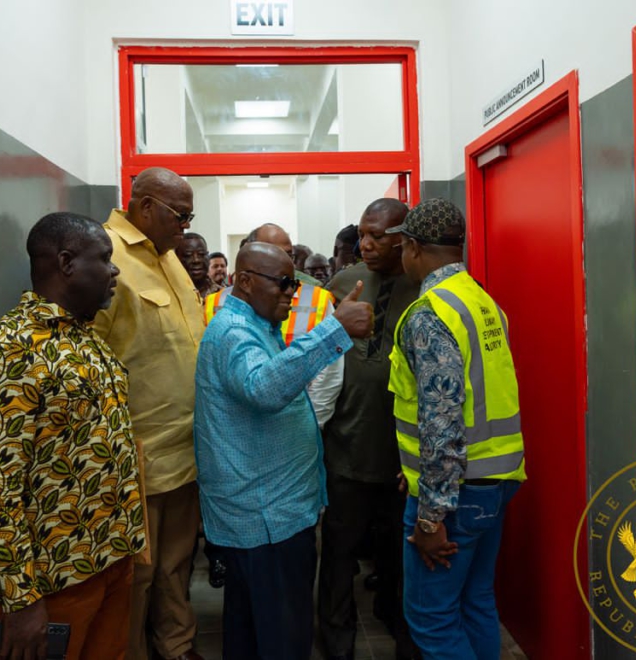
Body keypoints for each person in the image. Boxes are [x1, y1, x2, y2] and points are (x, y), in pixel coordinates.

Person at [0, 212, 145, 660]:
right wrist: (21, 601)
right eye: (105, 259)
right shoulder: (9, 351)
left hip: (110, 558)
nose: (114, 270)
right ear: (66, 263)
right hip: (54, 581)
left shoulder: (85, 337)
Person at [194, 242, 374, 659]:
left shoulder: (258, 325)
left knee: (253, 632)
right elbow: (265, 388)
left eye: (294, 282)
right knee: (282, 637)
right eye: (282, 283)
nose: (292, 293)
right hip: (266, 520)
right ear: (245, 281)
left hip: (270, 515)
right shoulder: (234, 333)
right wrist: (335, 330)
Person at [386, 198, 526, 659]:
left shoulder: (430, 314)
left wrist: (431, 516)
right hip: (495, 483)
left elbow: (442, 418)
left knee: (432, 619)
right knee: (476, 602)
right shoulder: (483, 301)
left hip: (455, 496)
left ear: (412, 248)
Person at [95, 167, 206, 660]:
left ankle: (175, 648)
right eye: (179, 216)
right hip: (138, 458)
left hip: (186, 452)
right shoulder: (105, 256)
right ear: (145, 208)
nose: (186, 227)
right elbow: (89, 355)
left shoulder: (170, 259)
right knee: (136, 575)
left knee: (176, 566)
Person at [318, 199, 421, 660]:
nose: (366, 244)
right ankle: (336, 635)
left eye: (378, 235)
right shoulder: (341, 283)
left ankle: (397, 619)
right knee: (339, 552)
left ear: (405, 236)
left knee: (398, 554)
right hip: (346, 445)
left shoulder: (423, 288)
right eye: (362, 234)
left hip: (400, 455)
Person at [205, 223, 343, 429]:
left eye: (289, 255)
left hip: (298, 423)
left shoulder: (317, 299)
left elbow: (328, 377)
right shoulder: (216, 304)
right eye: (270, 253)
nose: (282, 261)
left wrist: (308, 423)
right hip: (239, 427)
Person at [175, 232, 221, 300]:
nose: (196, 260)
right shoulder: (170, 293)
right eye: (188, 255)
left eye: (201, 254)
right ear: (176, 259)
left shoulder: (223, 295)